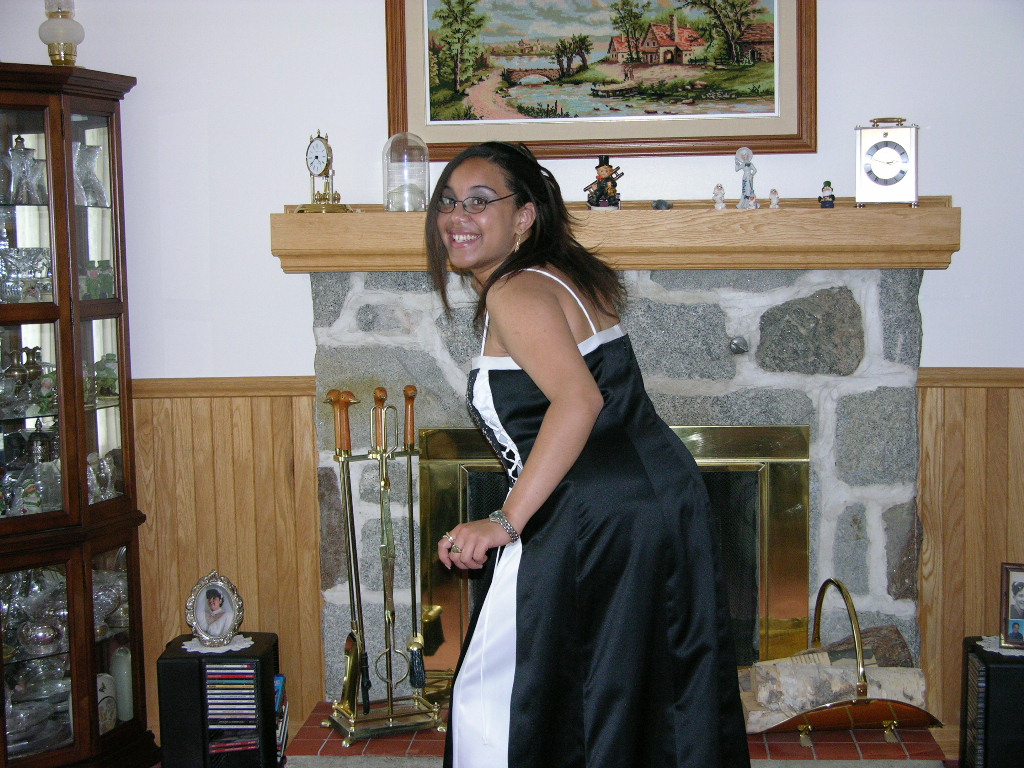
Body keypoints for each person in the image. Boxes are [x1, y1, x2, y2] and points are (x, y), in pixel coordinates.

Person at [427, 141, 750, 768]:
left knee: (501, 696)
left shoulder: (514, 292)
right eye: (448, 202)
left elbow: (579, 402)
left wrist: (503, 522)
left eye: (479, 201)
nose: (457, 218)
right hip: (655, 500)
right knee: (641, 694)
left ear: (524, 216)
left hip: (595, 519)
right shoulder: (562, 275)